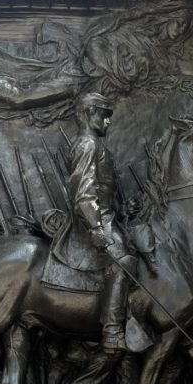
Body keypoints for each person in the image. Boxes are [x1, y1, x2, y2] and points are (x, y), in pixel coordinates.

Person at [52, 92, 137, 353]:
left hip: (106, 217)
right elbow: (83, 195)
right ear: (88, 114)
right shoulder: (87, 145)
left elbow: (102, 192)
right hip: (90, 222)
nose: (108, 121)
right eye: (104, 115)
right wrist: (96, 227)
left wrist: (122, 209)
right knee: (123, 261)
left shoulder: (95, 145)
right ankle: (112, 330)